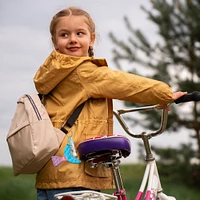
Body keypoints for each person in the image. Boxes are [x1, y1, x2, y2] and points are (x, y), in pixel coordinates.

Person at [33, 6, 187, 200]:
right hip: (74, 171)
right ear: (55, 42)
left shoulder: (52, 73)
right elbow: (125, 84)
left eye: (79, 33)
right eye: (65, 34)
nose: (72, 39)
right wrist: (165, 94)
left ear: (91, 38)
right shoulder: (83, 72)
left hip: (53, 167)